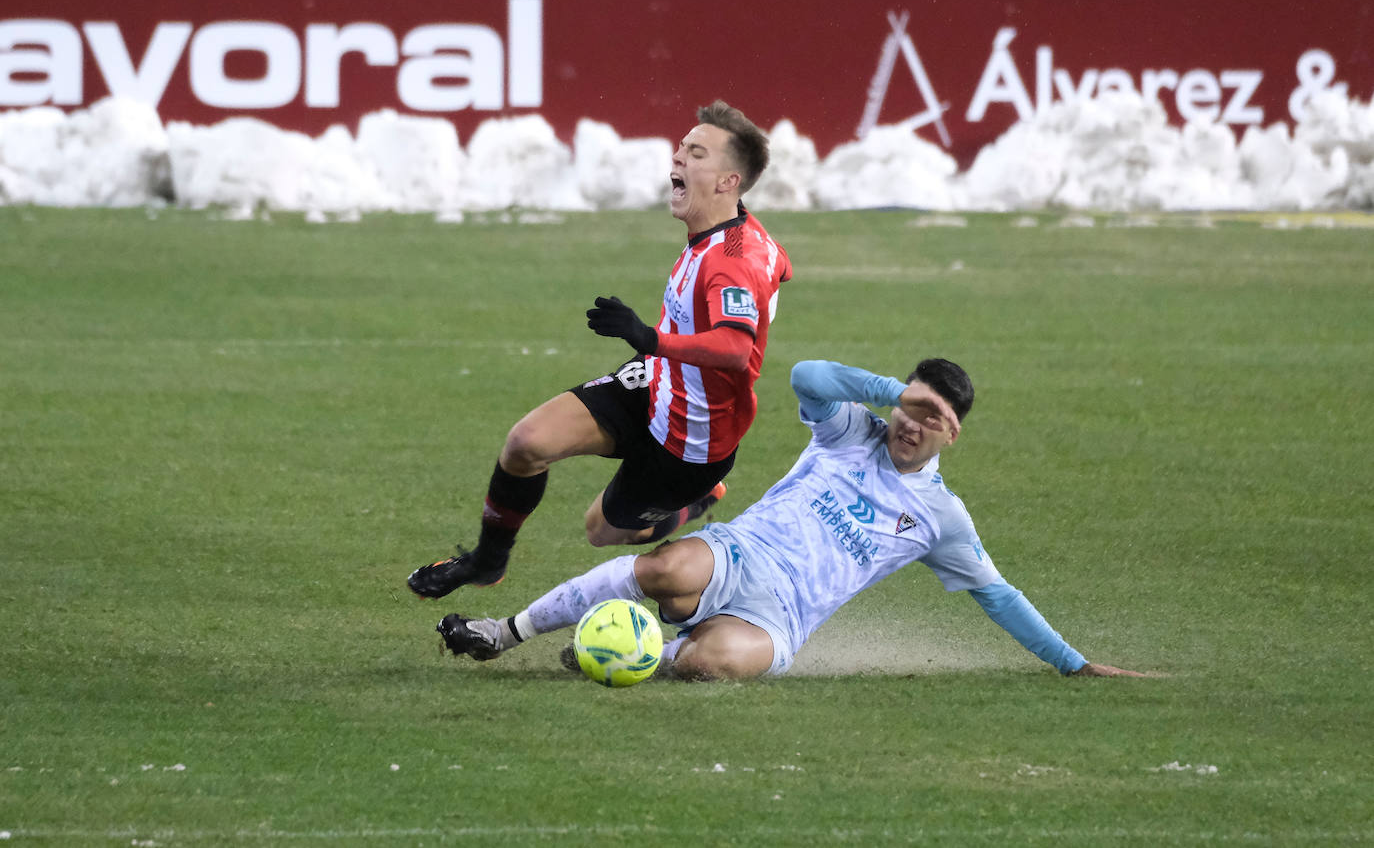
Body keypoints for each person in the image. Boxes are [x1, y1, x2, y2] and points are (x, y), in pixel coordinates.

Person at [433, 358, 1148, 680]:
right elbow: (806, 374)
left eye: (935, 419)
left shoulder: (940, 518)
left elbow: (999, 594)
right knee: (663, 569)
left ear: (951, 435)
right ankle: (504, 633)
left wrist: (1074, 662)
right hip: (739, 554)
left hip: (780, 620)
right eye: (912, 406)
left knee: (716, 663)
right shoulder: (850, 430)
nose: (913, 423)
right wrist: (888, 391)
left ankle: (643, 651)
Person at [408, 100, 793, 599]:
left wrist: (647, 337)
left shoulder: (730, 260)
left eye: (695, 154)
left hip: (694, 436)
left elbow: (736, 349)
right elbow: (779, 265)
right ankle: (486, 561)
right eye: (681, 147)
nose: (677, 158)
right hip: (656, 379)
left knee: (603, 531)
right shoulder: (731, 235)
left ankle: (694, 501)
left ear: (727, 182)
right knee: (526, 444)